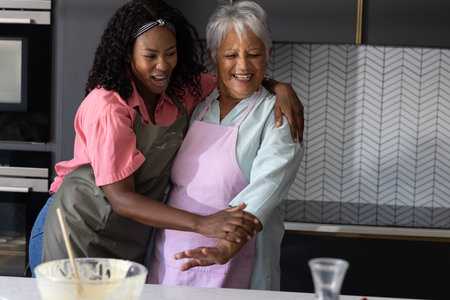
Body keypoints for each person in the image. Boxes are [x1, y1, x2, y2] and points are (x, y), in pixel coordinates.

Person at [28, 0, 304, 276]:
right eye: (150, 56)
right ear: (127, 54)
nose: (163, 66)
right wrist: (202, 223)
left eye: (170, 53)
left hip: (130, 237)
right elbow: (122, 200)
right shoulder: (108, 107)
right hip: (75, 228)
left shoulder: (182, 90)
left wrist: (279, 87)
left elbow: (234, 75)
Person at [148, 0, 304, 291]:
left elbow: (267, 187)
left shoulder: (277, 114)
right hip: (174, 254)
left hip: (236, 257)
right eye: (231, 54)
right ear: (213, 56)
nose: (243, 65)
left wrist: (224, 247)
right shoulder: (199, 105)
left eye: (254, 54)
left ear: (268, 54)